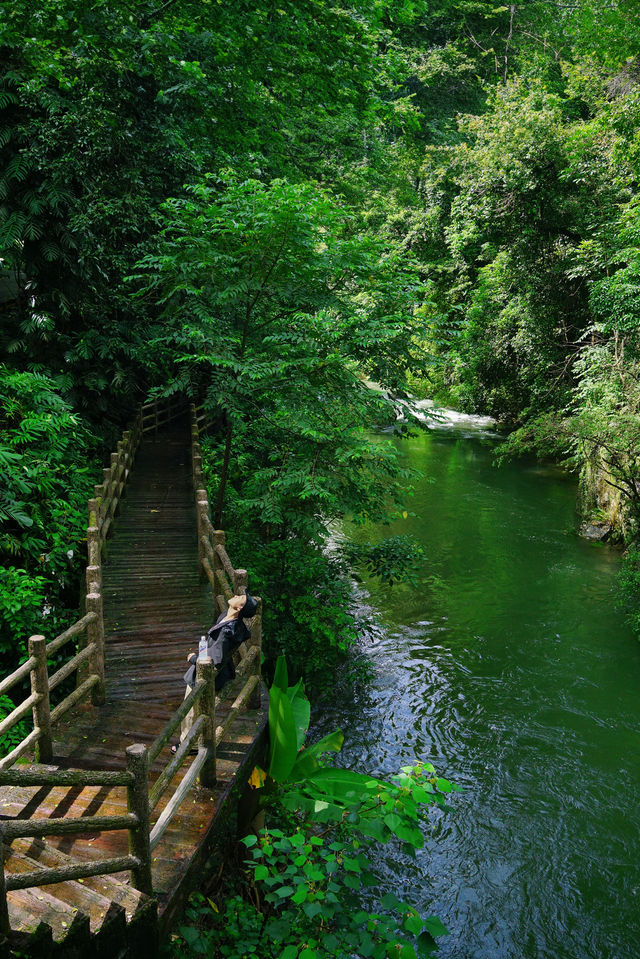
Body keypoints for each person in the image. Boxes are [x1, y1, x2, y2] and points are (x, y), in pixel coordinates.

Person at [173, 592, 259, 752]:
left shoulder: (226, 634)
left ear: (239, 607)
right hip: (217, 669)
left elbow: (214, 664)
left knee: (190, 711)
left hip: (204, 675)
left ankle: (188, 745)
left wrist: (193, 659)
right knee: (195, 711)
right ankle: (192, 741)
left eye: (241, 597)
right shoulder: (229, 619)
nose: (237, 595)